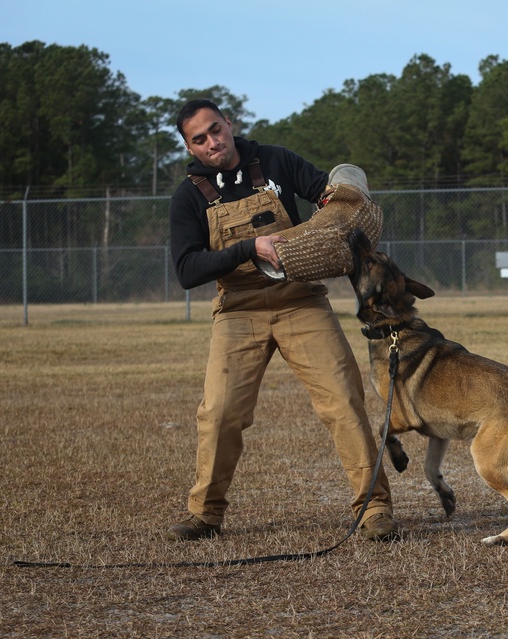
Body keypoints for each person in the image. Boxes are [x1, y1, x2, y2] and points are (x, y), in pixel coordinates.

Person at [165, 98, 397, 542]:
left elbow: (329, 198)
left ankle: (374, 509)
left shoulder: (275, 160)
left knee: (343, 400)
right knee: (220, 413)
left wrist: (344, 200)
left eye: (216, 129)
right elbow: (187, 270)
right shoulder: (188, 197)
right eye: (200, 139)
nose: (213, 142)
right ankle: (205, 514)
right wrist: (248, 249)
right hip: (239, 309)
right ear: (190, 148)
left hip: (300, 301)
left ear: (229, 123)